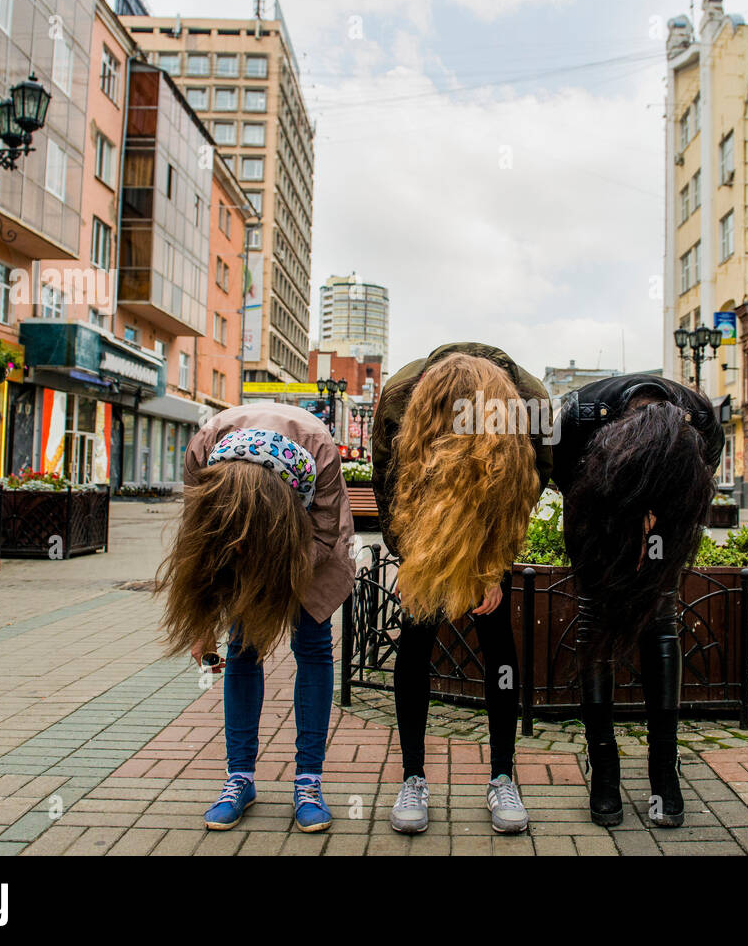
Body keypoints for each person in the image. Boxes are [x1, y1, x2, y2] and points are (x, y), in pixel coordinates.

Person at [371, 344, 552, 835]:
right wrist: (412, 560)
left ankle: (501, 775)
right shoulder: (399, 398)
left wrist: (495, 565)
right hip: (426, 510)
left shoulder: (531, 404)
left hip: (492, 502)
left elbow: (526, 487)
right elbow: (389, 483)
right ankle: (412, 777)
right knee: (416, 639)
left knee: (499, 644)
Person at [157, 404, 355, 832]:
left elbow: (324, 532)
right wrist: (201, 623)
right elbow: (200, 536)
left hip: (305, 546)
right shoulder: (204, 448)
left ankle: (308, 782)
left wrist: (273, 571)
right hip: (235, 546)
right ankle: (240, 779)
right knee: (242, 649)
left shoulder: (320, 451)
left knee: (314, 649)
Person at [552, 374, 722, 828]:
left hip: (669, 504)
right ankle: (603, 767)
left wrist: (658, 513)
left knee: (661, 616)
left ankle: (664, 769)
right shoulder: (577, 416)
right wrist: (622, 519)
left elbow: (700, 474)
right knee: (596, 618)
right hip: (597, 505)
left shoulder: (701, 419)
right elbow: (564, 477)